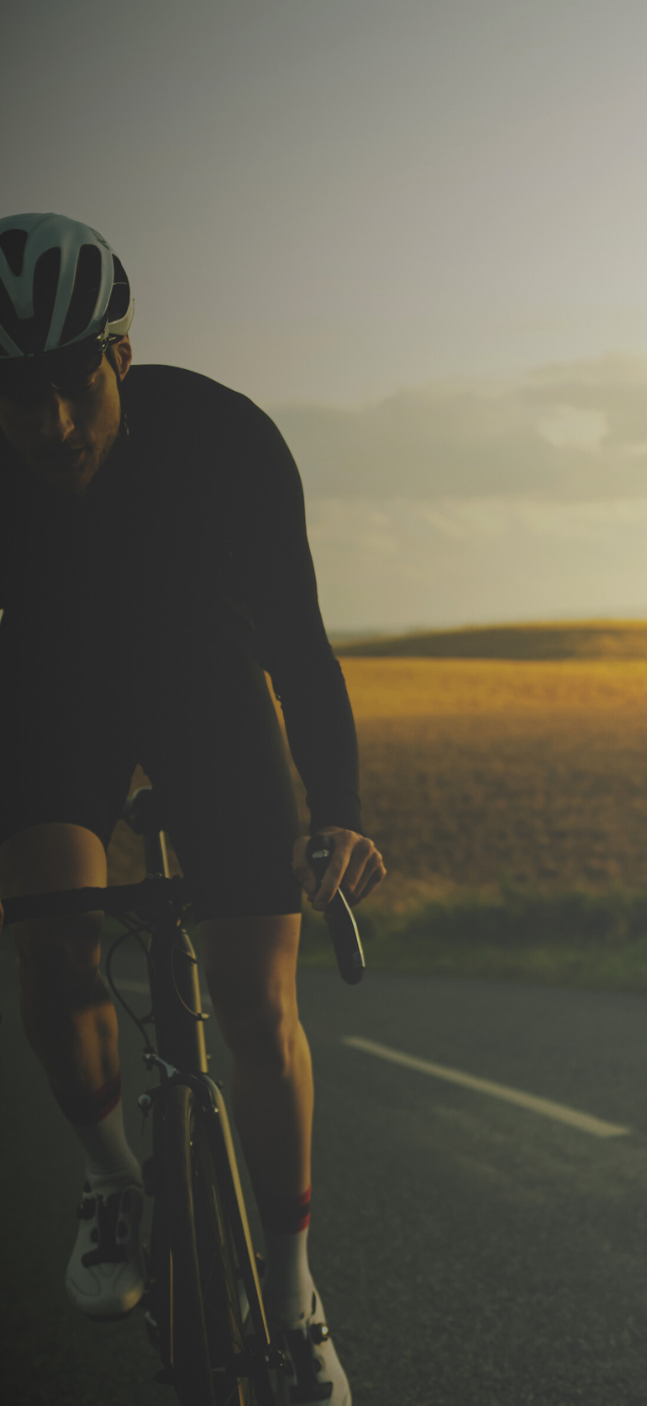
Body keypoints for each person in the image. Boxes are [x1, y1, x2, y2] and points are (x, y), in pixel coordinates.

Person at [0, 212, 384, 1404]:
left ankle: (293, 1291)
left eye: (72, 384)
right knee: (55, 939)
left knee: (260, 1005)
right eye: (16, 394)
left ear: (120, 353)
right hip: (57, 705)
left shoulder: (228, 440)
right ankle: (113, 1172)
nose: (49, 424)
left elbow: (303, 650)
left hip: (213, 701)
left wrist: (344, 805)